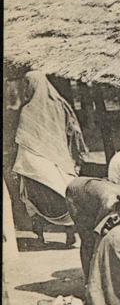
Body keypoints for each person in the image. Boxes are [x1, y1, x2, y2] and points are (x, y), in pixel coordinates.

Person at [10, 71, 88, 245]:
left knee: (32, 195)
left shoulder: (28, 110)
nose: (26, 89)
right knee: (64, 191)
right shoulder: (61, 105)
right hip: (60, 159)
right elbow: (72, 130)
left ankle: (40, 236)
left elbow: (24, 140)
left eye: (27, 84)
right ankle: (69, 232)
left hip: (36, 162)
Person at [65, 177, 120, 279]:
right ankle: (88, 281)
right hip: (76, 192)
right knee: (88, 241)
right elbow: (98, 231)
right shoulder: (109, 203)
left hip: (94, 191)